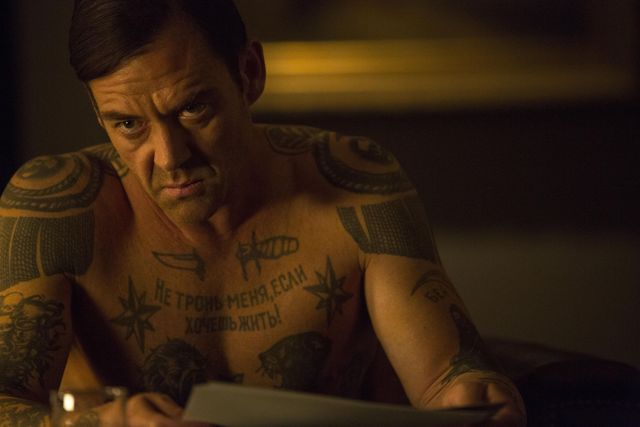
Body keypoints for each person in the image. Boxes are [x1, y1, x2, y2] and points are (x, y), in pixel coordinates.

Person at [0, 0, 526, 425]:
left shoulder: (353, 184)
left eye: (192, 108)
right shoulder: (60, 209)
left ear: (249, 73)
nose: (170, 157)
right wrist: (101, 423)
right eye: (128, 124)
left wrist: (477, 396)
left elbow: (446, 379)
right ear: (98, 114)